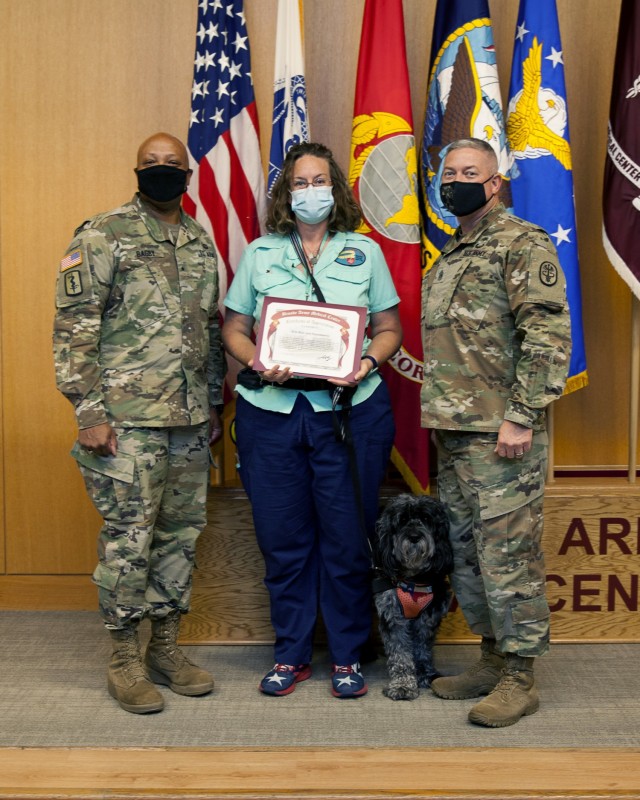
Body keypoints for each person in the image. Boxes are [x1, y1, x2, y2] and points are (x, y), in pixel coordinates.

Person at [53, 132, 225, 714]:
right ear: (135, 170)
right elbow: (75, 329)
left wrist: (214, 407)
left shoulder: (201, 244)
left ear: (189, 172)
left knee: (179, 537)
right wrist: (90, 411)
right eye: (151, 164)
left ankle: (165, 650)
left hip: (189, 423)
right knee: (130, 541)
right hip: (125, 425)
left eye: (171, 165)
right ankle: (125, 659)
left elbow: (207, 332)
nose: (160, 171)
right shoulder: (102, 234)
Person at [222, 142, 401, 698]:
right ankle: (292, 654)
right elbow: (234, 328)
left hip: (349, 414)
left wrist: (366, 362)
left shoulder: (364, 253)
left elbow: (389, 327)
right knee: (283, 540)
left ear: (336, 189)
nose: (309, 192)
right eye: (299, 183)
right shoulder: (259, 253)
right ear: (286, 193)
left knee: (347, 540)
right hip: (271, 414)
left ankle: (347, 655)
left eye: (318, 180)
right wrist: (256, 361)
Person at [422, 138, 572, 727]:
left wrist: (521, 415)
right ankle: (491, 656)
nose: (456, 179)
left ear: (495, 182)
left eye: (469, 172)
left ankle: (520, 677)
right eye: (448, 171)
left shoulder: (520, 243)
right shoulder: (452, 253)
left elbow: (547, 337)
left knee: (509, 555)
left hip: (500, 433)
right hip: (454, 433)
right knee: (466, 555)